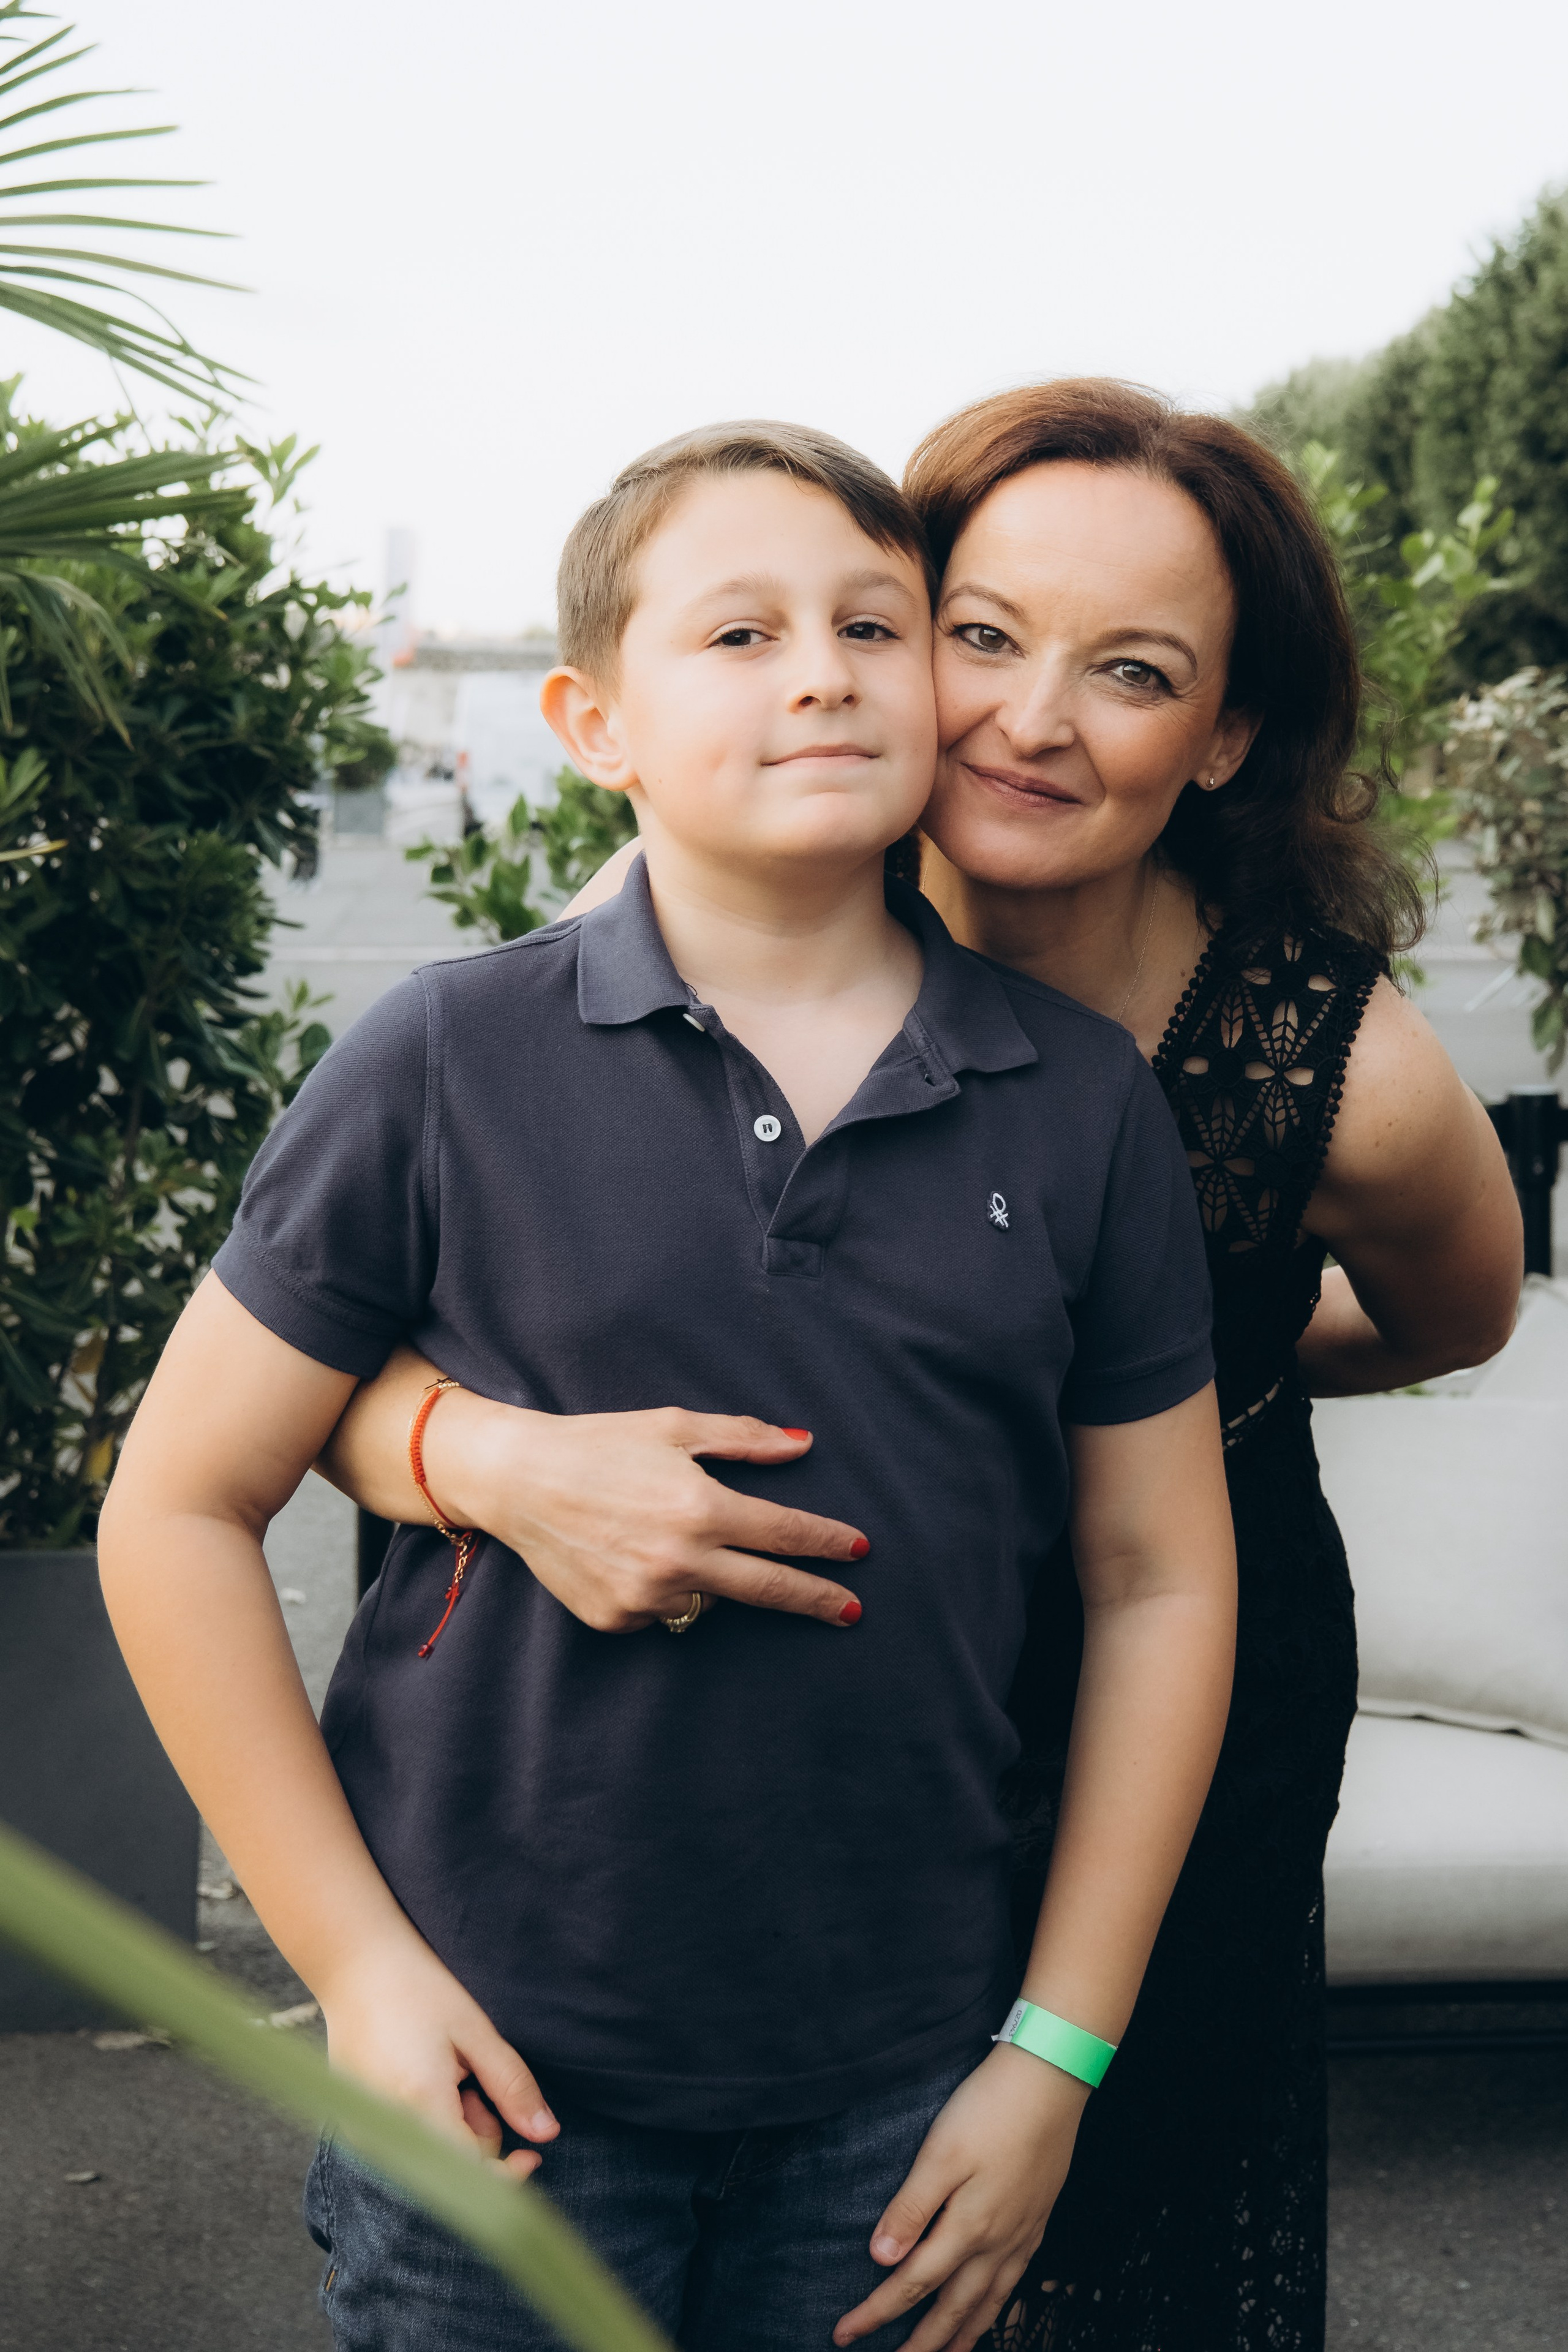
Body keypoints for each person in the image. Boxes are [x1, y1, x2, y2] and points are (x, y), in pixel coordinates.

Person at [323, 382, 1522, 2351]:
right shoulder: (716, 907)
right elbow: (333, 1367)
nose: (1027, 718)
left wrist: (1180, 1370)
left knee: (1104, 2236)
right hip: (817, 1690)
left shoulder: (1334, 1062)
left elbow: (1456, 1316)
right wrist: (487, 1457)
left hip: (1175, 1637)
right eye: (977, 634)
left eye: (1130, 673)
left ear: (1221, 737)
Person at [99, 420, 1238, 2352]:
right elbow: (180, 1503)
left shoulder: (1078, 1103)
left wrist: (1056, 2053)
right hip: (496, 2080)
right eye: (741, 633)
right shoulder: (445, 1058)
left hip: (906, 2080)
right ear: (593, 719)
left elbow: (1159, 1577)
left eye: (879, 625)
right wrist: (359, 1975)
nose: (824, 671)